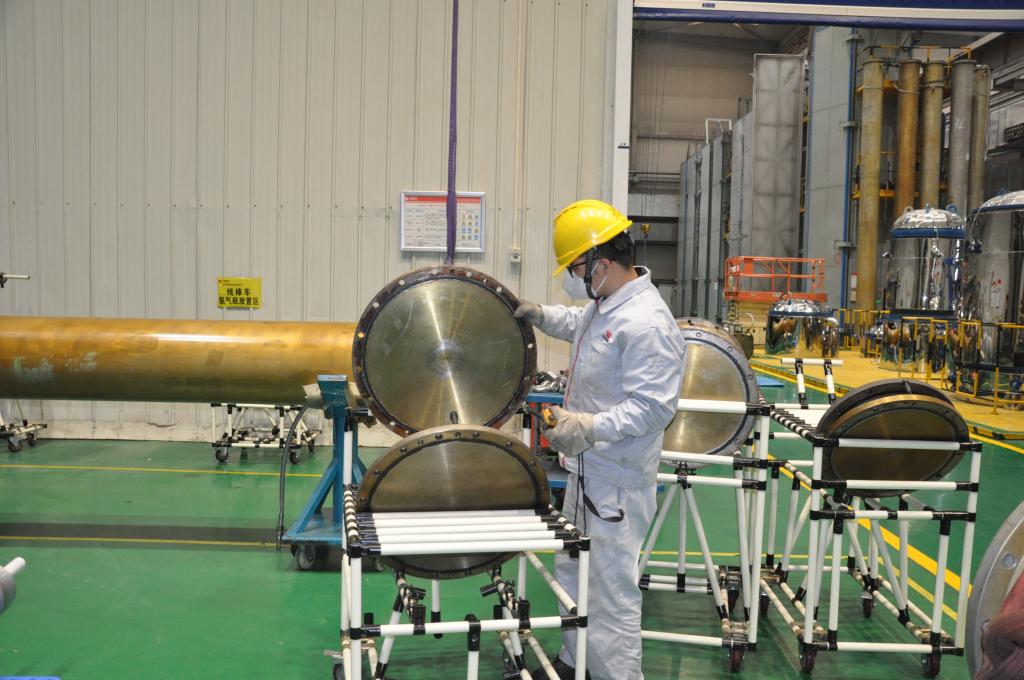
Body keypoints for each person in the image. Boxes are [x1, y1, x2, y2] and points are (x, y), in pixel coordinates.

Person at [515, 199, 686, 680]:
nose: (572, 279)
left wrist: (586, 427)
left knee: (610, 592)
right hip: (586, 472)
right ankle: (576, 664)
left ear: (602, 265)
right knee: (573, 572)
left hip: (617, 482)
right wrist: (539, 314)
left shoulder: (647, 323)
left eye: (575, 269)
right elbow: (578, 324)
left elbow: (654, 408)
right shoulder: (607, 304)